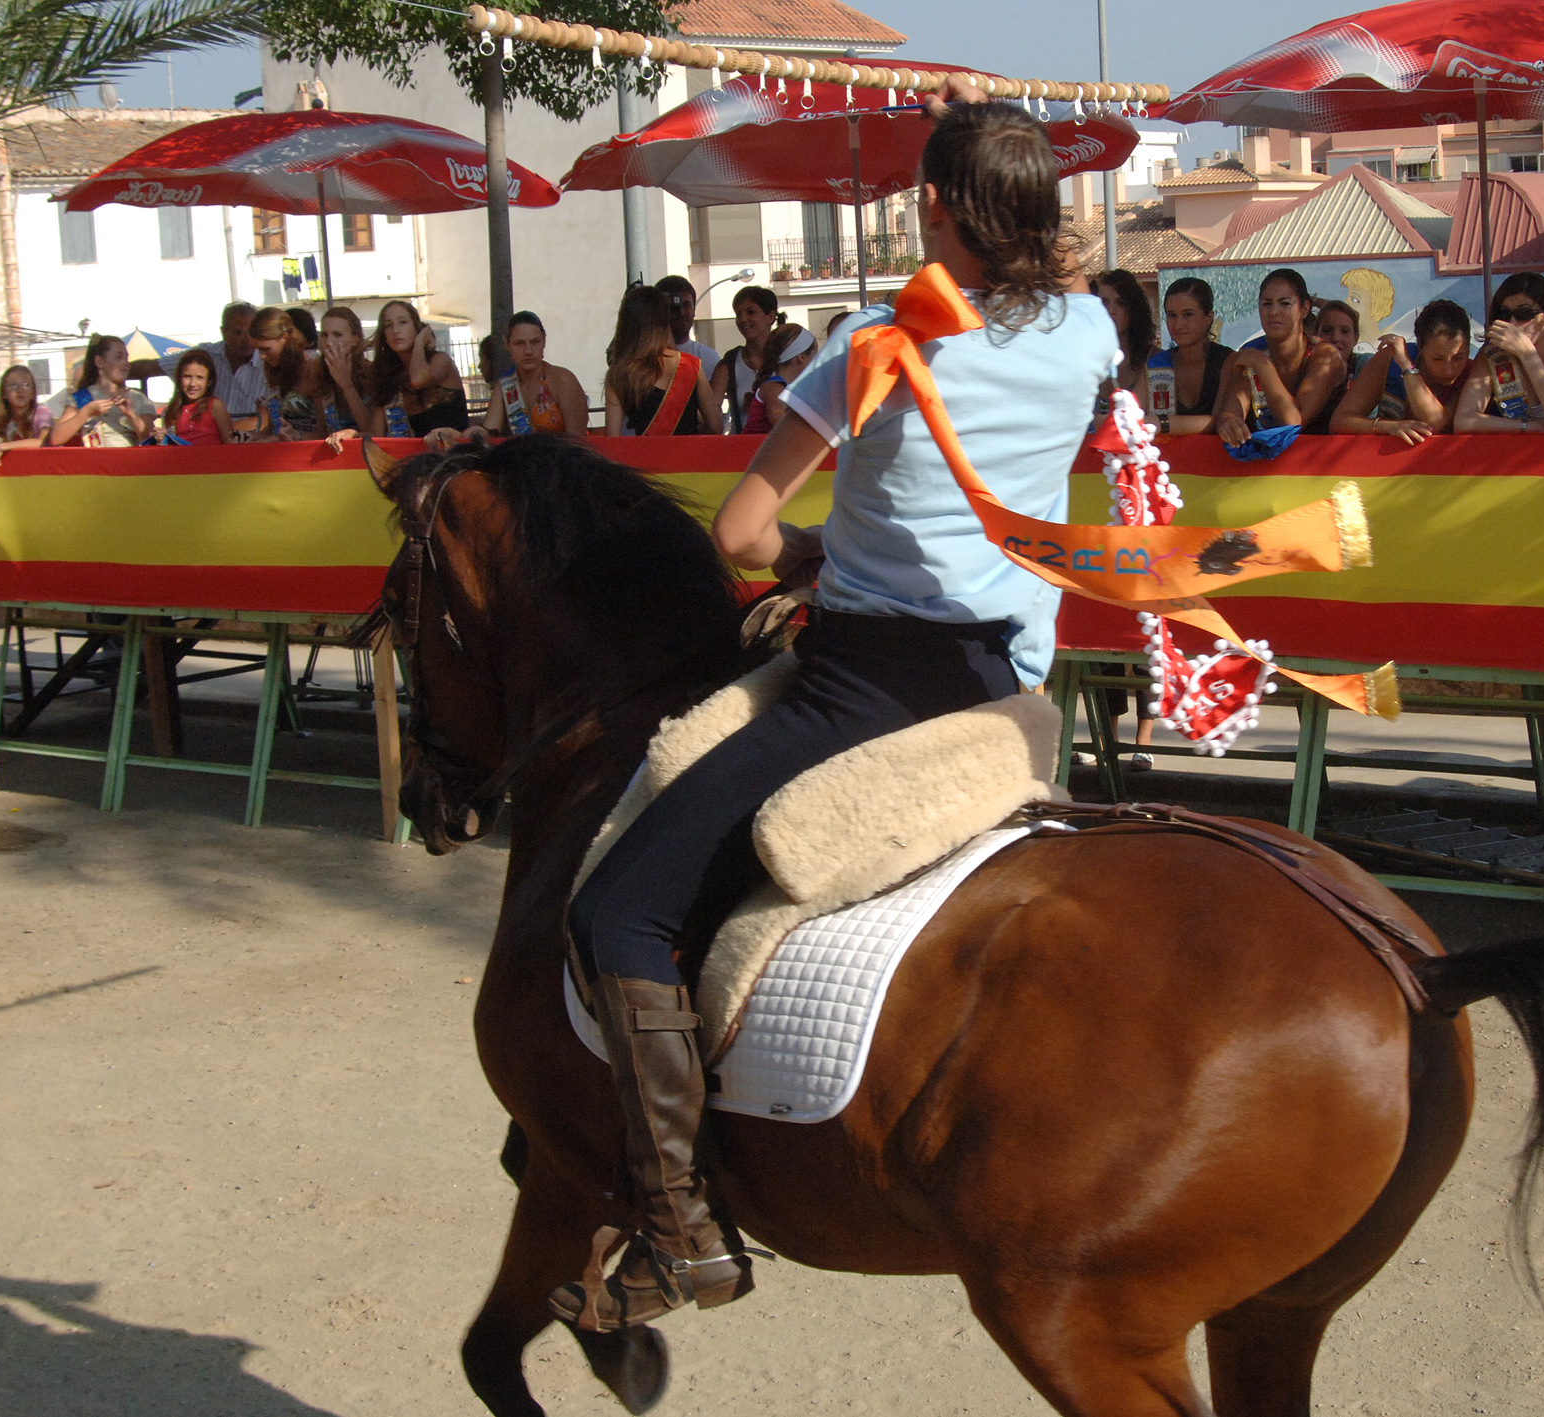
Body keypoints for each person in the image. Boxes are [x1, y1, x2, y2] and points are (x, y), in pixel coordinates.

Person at [554, 84, 1116, 1333]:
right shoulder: (1087, 333)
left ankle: (676, 1228)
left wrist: (811, 542)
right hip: (1004, 679)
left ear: (929, 208)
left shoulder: (871, 341)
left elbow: (747, 536)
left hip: (863, 687)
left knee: (618, 905)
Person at [1454, 272, 1544, 434]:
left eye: (1524, 314)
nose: (1512, 323)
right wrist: (1528, 427)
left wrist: (1528, 355)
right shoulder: (1493, 354)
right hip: (1529, 452)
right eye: (1504, 314)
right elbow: (1463, 421)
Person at [1212, 268, 1344, 445]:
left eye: (1284, 303)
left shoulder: (1324, 356)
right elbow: (1230, 413)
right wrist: (1228, 423)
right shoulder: (1251, 352)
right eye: (1267, 304)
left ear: (1304, 309)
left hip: (1325, 467)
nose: (1274, 311)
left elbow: (1292, 424)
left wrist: (1263, 366)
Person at [1327, 299, 1472, 444]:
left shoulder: (1472, 373)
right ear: (1420, 345)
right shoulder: (1391, 358)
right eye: (1437, 359)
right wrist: (1387, 427)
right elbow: (1340, 421)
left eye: (1458, 358)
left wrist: (1406, 366)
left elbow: (1436, 424)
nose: (1448, 371)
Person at [128, 301, 268, 433]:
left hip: (249, 442)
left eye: (250, 332)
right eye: (238, 332)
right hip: (202, 443)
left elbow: (268, 419)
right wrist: (111, 374)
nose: (246, 339)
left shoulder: (268, 363)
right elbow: (152, 367)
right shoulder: (205, 355)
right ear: (223, 332)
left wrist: (217, 431)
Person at [603, 286, 720, 437]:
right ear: (666, 321)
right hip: (688, 457)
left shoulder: (619, 373)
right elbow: (716, 426)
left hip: (643, 458)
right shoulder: (691, 365)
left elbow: (613, 437)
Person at [369, 300, 468, 439]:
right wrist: (351, 433)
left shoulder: (440, 361)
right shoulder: (388, 376)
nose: (395, 330)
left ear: (416, 328)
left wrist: (419, 342)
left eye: (403, 322)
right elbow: (376, 434)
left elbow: (418, 379)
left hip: (453, 456)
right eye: (388, 325)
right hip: (413, 458)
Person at [1147, 277, 1233, 436]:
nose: (1178, 325)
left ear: (1209, 318)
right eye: (1172, 315)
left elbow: (1217, 422)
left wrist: (1160, 424)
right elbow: (1132, 410)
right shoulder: (1159, 363)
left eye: (1187, 315)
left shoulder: (1227, 360)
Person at [482, 311, 588, 438]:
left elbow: (578, 440)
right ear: (507, 344)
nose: (528, 351)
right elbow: (488, 431)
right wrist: (468, 434)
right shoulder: (505, 386)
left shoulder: (563, 380)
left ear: (544, 341)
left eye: (535, 342)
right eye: (519, 343)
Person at [48, 334, 155, 446]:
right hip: (94, 461)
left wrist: (131, 415)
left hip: (129, 461)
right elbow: (56, 438)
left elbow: (150, 440)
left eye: (126, 358)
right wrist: (87, 412)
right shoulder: (83, 397)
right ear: (99, 361)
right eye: (119, 357)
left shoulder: (138, 398)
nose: (126, 363)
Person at [710, 286, 781, 433]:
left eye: (750, 312)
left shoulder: (789, 357)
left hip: (784, 447)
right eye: (738, 314)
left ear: (771, 316)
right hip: (743, 449)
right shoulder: (729, 363)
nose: (743, 320)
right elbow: (711, 411)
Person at [249, 307, 316, 439]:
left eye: (266, 349)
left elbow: (328, 431)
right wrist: (250, 436)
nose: (262, 356)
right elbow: (273, 430)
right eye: (258, 350)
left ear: (285, 338)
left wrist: (297, 436)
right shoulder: (273, 371)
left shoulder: (312, 369)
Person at [1093, 268, 1155, 410]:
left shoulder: (1154, 360)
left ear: (1134, 309)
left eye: (1120, 303)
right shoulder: (1084, 358)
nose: (1111, 310)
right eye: (1104, 302)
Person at [738, 323, 816, 433]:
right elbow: (777, 417)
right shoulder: (773, 387)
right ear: (801, 357)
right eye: (815, 355)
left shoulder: (787, 388)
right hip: (754, 448)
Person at [0, 364, 53, 459]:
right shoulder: (5, 419)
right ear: (4, 394)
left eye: (26, 385)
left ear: (33, 393)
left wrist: (4, 446)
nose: (20, 390)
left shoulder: (42, 413)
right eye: (13, 385)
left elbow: (42, 442)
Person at [317, 306, 373, 436]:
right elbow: (322, 433)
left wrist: (346, 385)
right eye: (324, 335)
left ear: (355, 339)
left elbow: (371, 430)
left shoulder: (373, 373)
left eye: (337, 335)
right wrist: (296, 435)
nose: (329, 342)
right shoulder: (319, 372)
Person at [159, 349, 235, 445]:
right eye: (187, 377)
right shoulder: (172, 410)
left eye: (199, 378)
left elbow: (229, 441)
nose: (192, 384)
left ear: (209, 381)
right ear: (178, 378)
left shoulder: (215, 405)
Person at [654, 274, 721, 372]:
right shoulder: (645, 358)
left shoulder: (706, 357)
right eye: (674, 307)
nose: (681, 312)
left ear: (694, 309)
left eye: (686, 305)